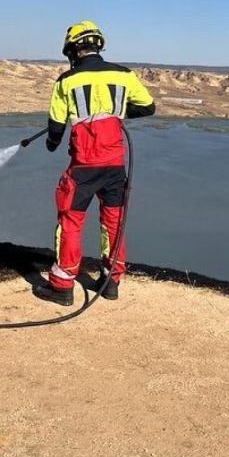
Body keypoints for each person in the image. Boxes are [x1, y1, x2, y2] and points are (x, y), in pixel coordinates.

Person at [34, 20, 156, 306]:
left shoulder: (66, 81)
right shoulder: (124, 75)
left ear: (74, 49)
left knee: (71, 220)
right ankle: (111, 281)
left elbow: (55, 126)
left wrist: (52, 143)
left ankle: (63, 285)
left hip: (83, 168)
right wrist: (116, 113)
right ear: (98, 45)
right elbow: (148, 106)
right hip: (115, 167)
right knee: (113, 221)